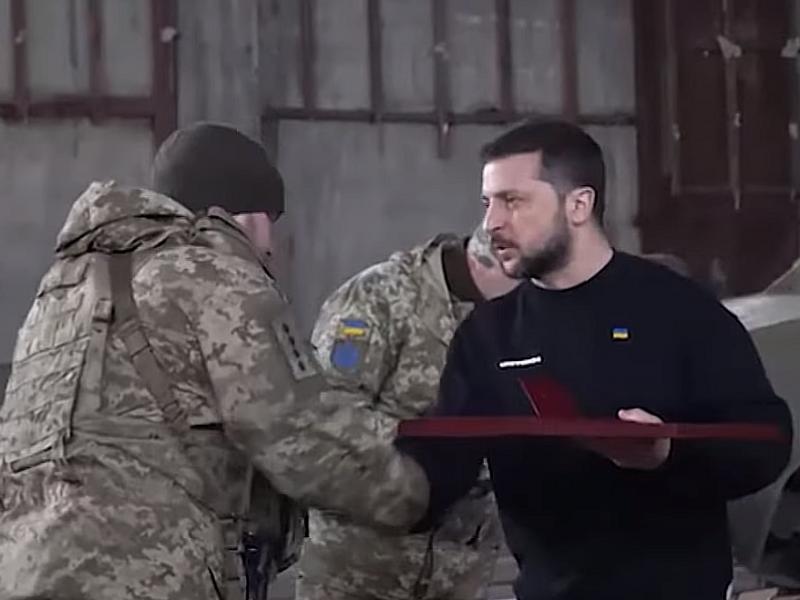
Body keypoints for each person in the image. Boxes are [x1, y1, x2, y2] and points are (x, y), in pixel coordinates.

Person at [0, 123, 428, 600]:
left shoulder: (60, 294)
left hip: (26, 572)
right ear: (245, 216)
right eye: (271, 220)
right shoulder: (214, 276)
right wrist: (414, 489)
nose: (270, 246)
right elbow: (297, 432)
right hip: (145, 575)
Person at [397, 119, 793, 600]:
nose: (491, 224)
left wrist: (668, 455)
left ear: (579, 205)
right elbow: (442, 466)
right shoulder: (489, 334)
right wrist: (379, 473)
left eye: (513, 201)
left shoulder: (681, 311)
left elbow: (766, 442)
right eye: (487, 203)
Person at [295, 227, 519, 600]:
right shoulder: (379, 297)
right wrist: (436, 453)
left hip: (459, 575)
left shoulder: (524, 317)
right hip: (359, 573)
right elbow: (325, 417)